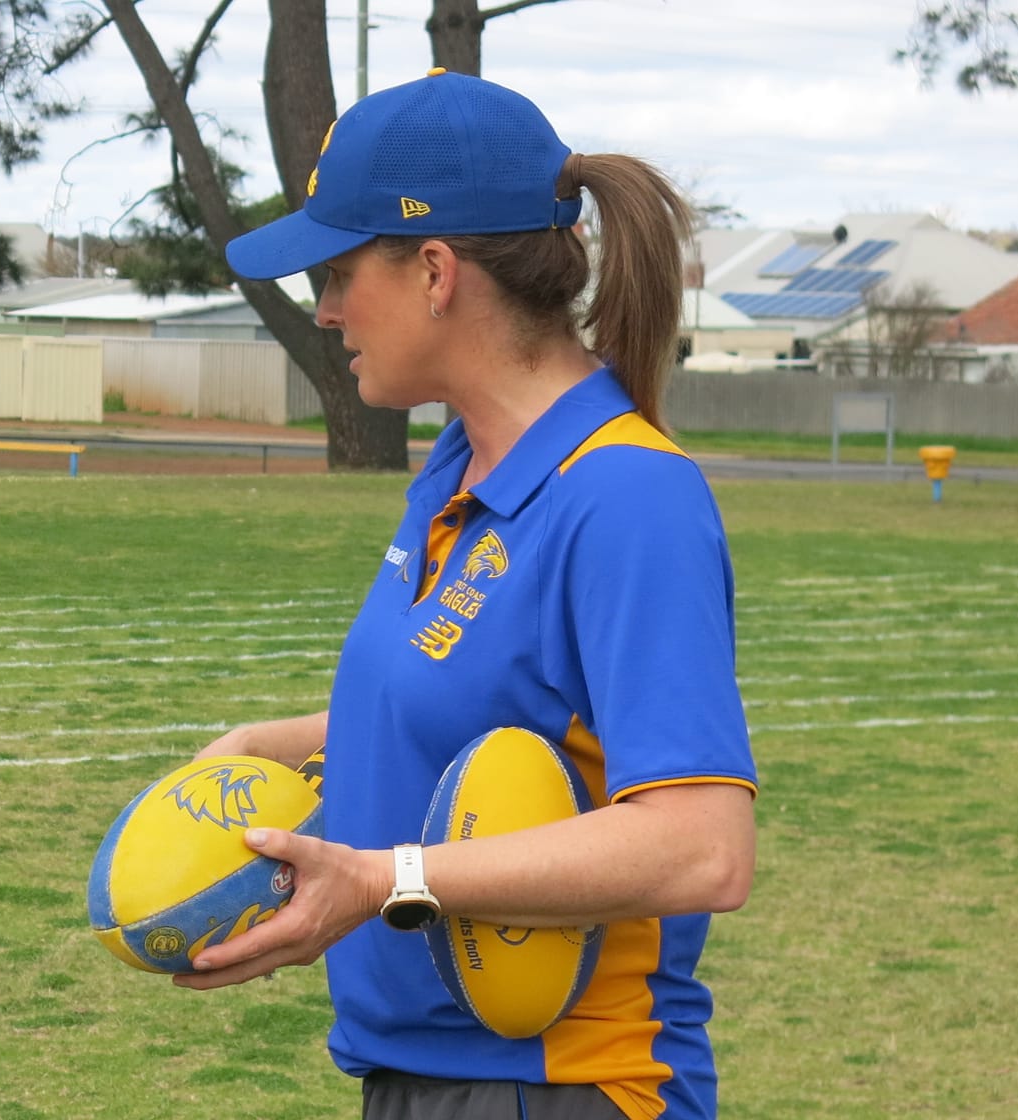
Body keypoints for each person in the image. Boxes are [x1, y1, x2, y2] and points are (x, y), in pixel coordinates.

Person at [184, 70, 759, 1120]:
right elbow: (489, 708)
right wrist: (270, 745)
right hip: (420, 1074)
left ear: (435, 272)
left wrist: (385, 880)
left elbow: (701, 845)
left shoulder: (628, 496)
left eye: (340, 270)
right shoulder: (458, 467)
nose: (322, 308)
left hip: (567, 1091)